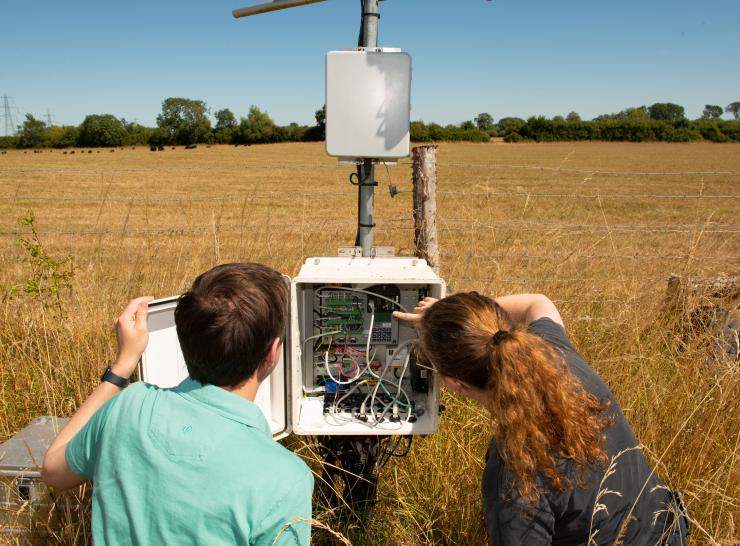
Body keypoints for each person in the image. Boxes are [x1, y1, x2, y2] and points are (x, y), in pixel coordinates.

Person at [42, 263, 313, 545]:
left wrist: (122, 365)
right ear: (272, 352)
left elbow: (53, 471)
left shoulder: (129, 405)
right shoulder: (286, 478)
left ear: (183, 339)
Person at [394, 292, 689, 545]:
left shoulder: (514, 474)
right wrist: (468, 323)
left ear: (454, 383)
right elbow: (537, 302)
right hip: (667, 526)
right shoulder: (554, 353)